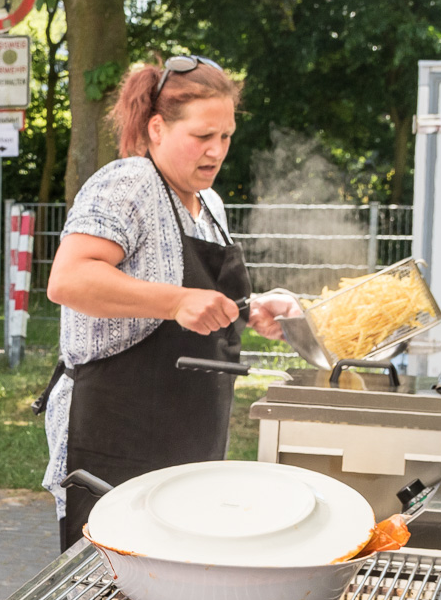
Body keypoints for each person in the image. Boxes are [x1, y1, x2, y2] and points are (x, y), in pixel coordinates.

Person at [39, 54, 298, 550]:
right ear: (157, 128)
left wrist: (255, 306)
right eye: (203, 136)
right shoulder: (129, 183)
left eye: (225, 137)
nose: (217, 151)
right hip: (119, 439)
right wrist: (176, 301)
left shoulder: (210, 205)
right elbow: (69, 279)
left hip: (192, 441)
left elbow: (203, 300)